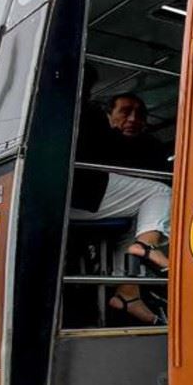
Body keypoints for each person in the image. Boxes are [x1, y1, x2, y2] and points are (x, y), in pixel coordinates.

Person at [71, 90, 173, 324]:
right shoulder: (97, 133)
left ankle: (128, 293)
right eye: (125, 112)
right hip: (80, 196)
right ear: (108, 115)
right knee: (159, 192)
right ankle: (146, 247)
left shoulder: (151, 145)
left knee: (141, 218)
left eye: (140, 115)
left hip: (99, 206)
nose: (133, 119)